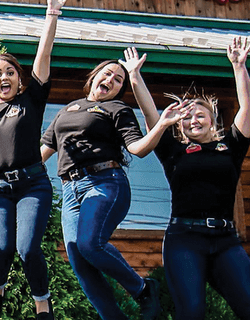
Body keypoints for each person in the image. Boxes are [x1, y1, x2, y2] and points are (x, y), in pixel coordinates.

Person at [125, 41, 250, 320]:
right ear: (179, 125)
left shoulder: (231, 146)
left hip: (226, 240)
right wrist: (134, 76)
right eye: (186, 118)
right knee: (191, 312)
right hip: (184, 239)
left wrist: (239, 67)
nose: (193, 121)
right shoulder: (173, 150)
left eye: (199, 115)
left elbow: (248, 107)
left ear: (213, 120)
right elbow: (149, 114)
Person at [39, 54, 173, 320]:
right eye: (107, 74)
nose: (110, 80)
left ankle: (143, 288)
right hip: (70, 191)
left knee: (90, 244)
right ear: (94, 76)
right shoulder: (67, 110)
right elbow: (40, 154)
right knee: (80, 262)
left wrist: (161, 125)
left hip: (104, 183)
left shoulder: (117, 110)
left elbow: (138, 148)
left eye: (118, 80)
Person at [0, 0, 66, 320]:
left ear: (19, 80)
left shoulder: (30, 102)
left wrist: (50, 16)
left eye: (10, 72)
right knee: (1, 248)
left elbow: (43, 57)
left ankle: (42, 304)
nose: (4, 76)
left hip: (33, 185)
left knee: (26, 248)